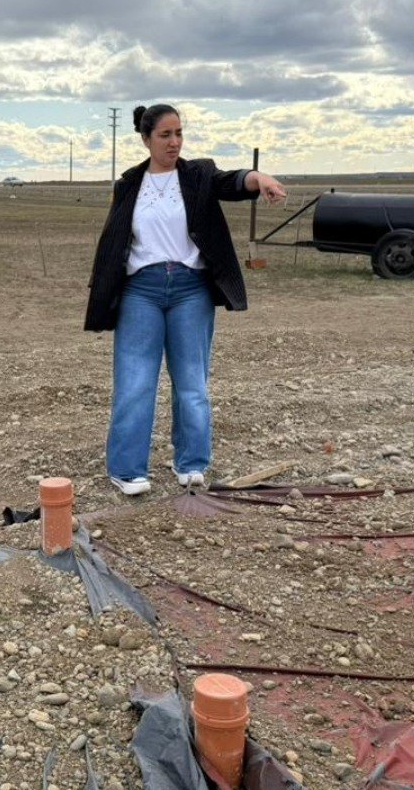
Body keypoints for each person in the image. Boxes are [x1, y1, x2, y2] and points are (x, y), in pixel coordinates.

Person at [84, 103, 286, 496]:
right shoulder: (128, 184)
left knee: (191, 381)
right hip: (141, 289)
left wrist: (257, 178)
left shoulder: (197, 174)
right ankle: (127, 470)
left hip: (190, 289)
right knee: (135, 382)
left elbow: (231, 182)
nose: (174, 142)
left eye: (179, 134)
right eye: (165, 135)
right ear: (146, 139)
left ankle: (192, 464)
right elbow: (114, 238)